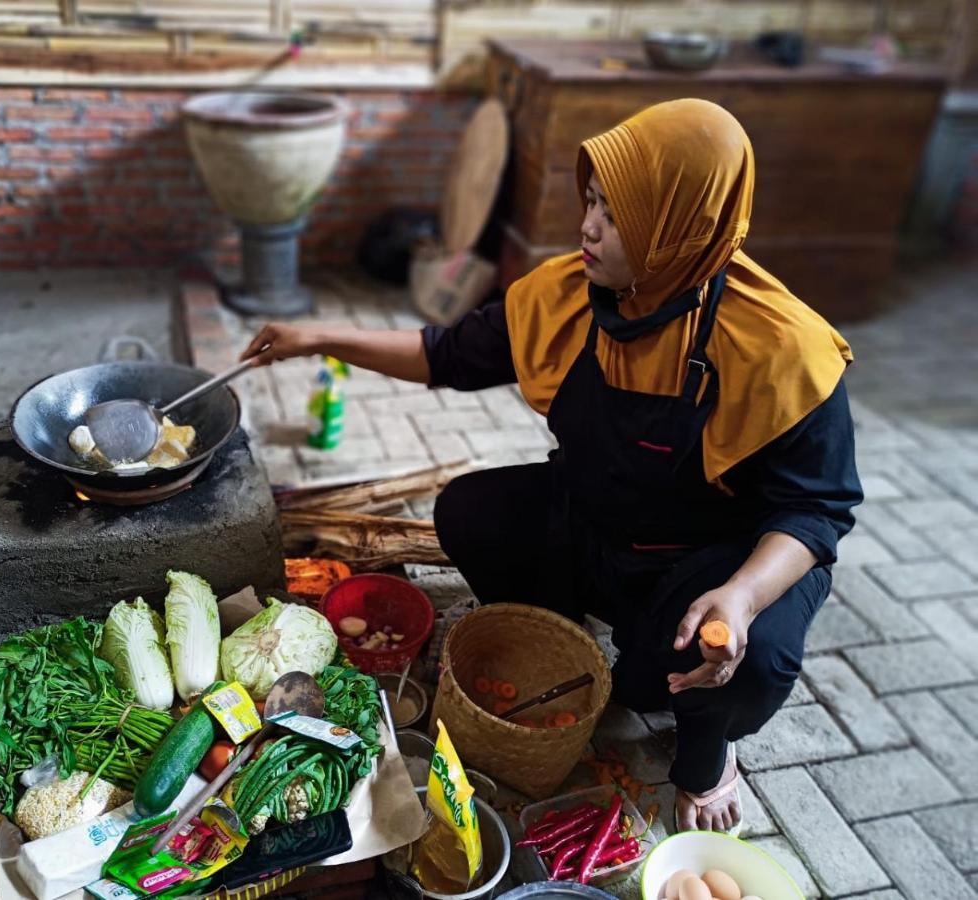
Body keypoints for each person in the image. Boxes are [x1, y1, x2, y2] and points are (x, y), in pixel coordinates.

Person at [241, 99, 862, 833]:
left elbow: (815, 509)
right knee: (468, 512)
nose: (588, 225)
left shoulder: (782, 349)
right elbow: (446, 355)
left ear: (682, 223)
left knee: (714, 663)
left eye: (617, 212)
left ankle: (707, 752)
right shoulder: (569, 294)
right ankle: (561, 641)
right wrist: (316, 337)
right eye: (591, 200)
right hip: (598, 520)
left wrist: (743, 597)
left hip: (709, 563)